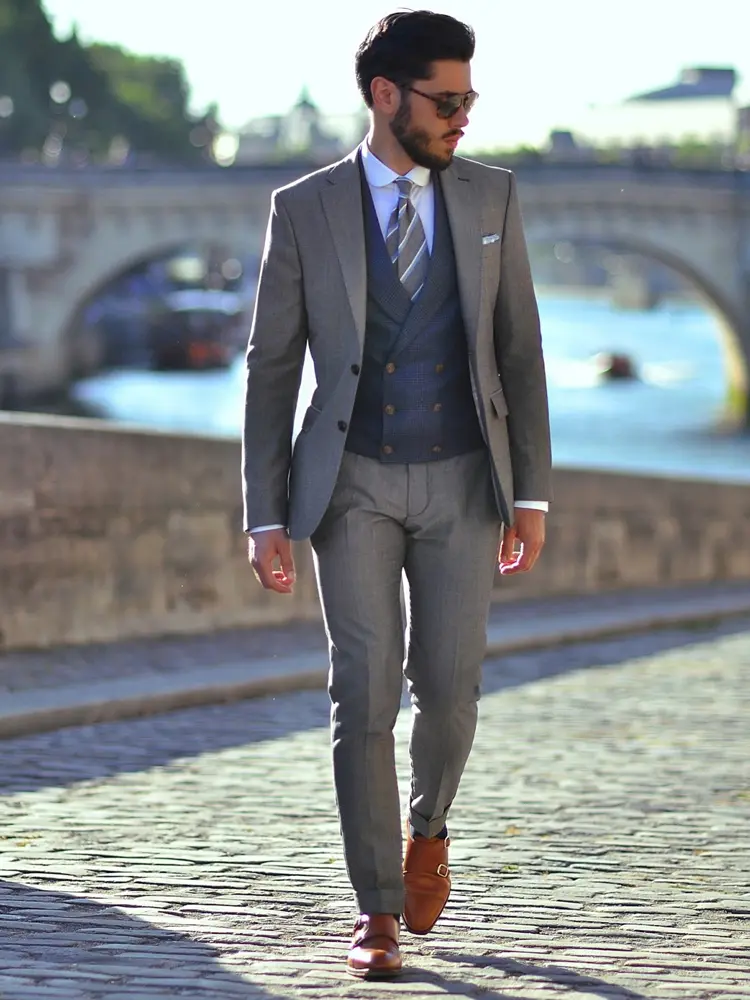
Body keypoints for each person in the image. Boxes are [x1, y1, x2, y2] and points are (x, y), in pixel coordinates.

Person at [242, 10, 551, 979]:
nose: (463, 118)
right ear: (386, 96)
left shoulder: (495, 196)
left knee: (450, 690)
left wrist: (532, 493)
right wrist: (265, 508)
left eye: (470, 100)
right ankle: (376, 907)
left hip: (465, 478)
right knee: (362, 690)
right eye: (446, 100)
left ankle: (430, 826)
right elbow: (270, 365)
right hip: (351, 481)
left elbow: (521, 351)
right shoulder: (305, 207)